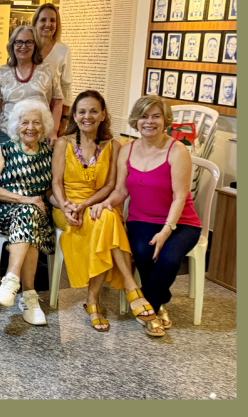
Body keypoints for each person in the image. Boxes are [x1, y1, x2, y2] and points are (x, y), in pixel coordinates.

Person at [50, 91, 164, 335]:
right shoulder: (63, 143)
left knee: (105, 218)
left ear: (103, 115)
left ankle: (93, 300)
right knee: (107, 220)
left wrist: (87, 205)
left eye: (94, 111)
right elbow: (56, 183)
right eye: (82, 111)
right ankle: (131, 287)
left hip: (98, 204)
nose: (87, 116)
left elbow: (111, 185)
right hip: (68, 207)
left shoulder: (114, 146)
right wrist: (66, 205)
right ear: (74, 116)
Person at [95, 96, 201, 334]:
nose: (149, 122)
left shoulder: (177, 150)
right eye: (144, 116)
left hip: (180, 222)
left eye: (156, 116)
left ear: (165, 121)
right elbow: (121, 191)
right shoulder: (126, 150)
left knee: (169, 260)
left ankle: (148, 307)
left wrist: (166, 230)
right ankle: (160, 302)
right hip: (140, 219)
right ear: (136, 120)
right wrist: (106, 203)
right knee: (143, 254)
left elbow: (180, 196)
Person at [0, 99, 55, 325]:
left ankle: (11, 282)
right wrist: (27, 199)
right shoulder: (4, 150)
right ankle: (29, 296)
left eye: (36, 122)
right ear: (17, 125)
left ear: (44, 126)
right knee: (29, 212)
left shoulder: (50, 153)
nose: (30, 128)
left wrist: (65, 205)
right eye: (25, 122)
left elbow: (51, 192)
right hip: (3, 210)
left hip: (34, 214)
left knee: (29, 216)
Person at [0, 25, 63, 146]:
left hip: (38, 135)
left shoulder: (48, 70)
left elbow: (57, 102)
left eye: (29, 42)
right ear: (12, 45)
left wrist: (53, 131)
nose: (23, 46)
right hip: (7, 135)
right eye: (19, 42)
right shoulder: (2, 72)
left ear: (35, 45)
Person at [32, 4, 74, 133]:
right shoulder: (26, 47)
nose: (48, 24)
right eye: (43, 20)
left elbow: (66, 86)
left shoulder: (63, 50)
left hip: (52, 116)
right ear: (35, 23)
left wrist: (63, 121)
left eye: (52, 20)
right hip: (27, 114)